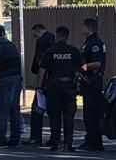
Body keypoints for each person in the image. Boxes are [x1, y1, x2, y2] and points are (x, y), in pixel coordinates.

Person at [37, 26, 87, 152]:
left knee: (54, 116)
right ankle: (68, 145)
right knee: (69, 116)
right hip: (69, 87)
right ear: (67, 37)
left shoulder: (49, 51)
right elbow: (84, 67)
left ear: (57, 36)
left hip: (53, 87)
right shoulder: (73, 51)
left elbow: (42, 70)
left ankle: (56, 143)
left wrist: (39, 87)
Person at [0, 22, 23, 148]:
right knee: (14, 110)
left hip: (5, 80)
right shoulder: (11, 45)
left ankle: (0, 139)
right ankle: (15, 139)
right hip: (16, 78)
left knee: (2, 110)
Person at [80, 17, 107, 151]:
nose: (82, 29)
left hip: (93, 82)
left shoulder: (95, 43)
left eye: (83, 26)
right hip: (86, 82)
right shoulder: (88, 42)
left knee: (92, 112)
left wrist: (83, 66)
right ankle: (89, 139)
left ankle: (95, 141)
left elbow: (97, 63)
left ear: (88, 28)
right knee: (87, 112)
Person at [29, 24, 56, 146]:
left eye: (35, 35)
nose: (35, 38)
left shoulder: (42, 41)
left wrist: (35, 70)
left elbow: (38, 62)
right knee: (53, 110)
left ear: (38, 31)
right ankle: (54, 138)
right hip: (54, 80)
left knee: (37, 109)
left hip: (44, 80)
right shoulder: (54, 39)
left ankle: (35, 137)